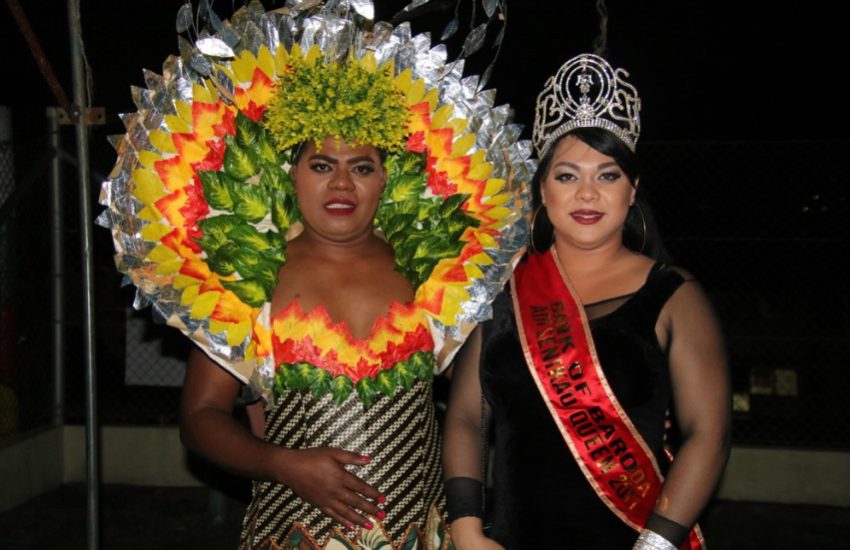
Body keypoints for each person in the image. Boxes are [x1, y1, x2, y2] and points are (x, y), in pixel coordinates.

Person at [99, 5, 529, 549]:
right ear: (291, 173)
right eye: (322, 165)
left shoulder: (434, 274)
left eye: (363, 166)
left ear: (387, 178)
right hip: (290, 533)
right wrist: (284, 465)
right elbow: (201, 418)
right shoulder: (248, 275)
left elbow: (478, 404)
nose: (342, 184)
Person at [443, 53, 731, 550]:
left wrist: (657, 544)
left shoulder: (673, 295)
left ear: (632, 189)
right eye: (568, 176)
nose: (588, 195)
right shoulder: (504, 289)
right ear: (543, 190)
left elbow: (709, 433)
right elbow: (468, 415)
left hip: (636, 536)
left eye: (608, 175)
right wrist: (466, 525)